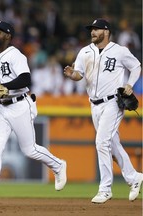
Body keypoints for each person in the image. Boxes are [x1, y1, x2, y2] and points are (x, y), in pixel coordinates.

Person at [0, 21, 67, 207]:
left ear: (8, 36)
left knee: (29, 149)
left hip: (20, 104)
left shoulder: (16, 55)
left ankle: (58, 165)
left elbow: (25, 78)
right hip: (0, 108)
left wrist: (3, 87)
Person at [63, 18, 142, 204]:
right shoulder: (84, 52)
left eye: (96, 29)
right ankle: (133, 177)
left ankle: (105, 188)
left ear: (106, 32)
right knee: (112, 143)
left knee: (101, 142)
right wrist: (71, 75)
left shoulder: (119, 51)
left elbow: (136, 66)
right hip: (94, 104)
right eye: (91, 29)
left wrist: (130, 84)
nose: (92, 32)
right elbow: (79, 74)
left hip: (113, 102)